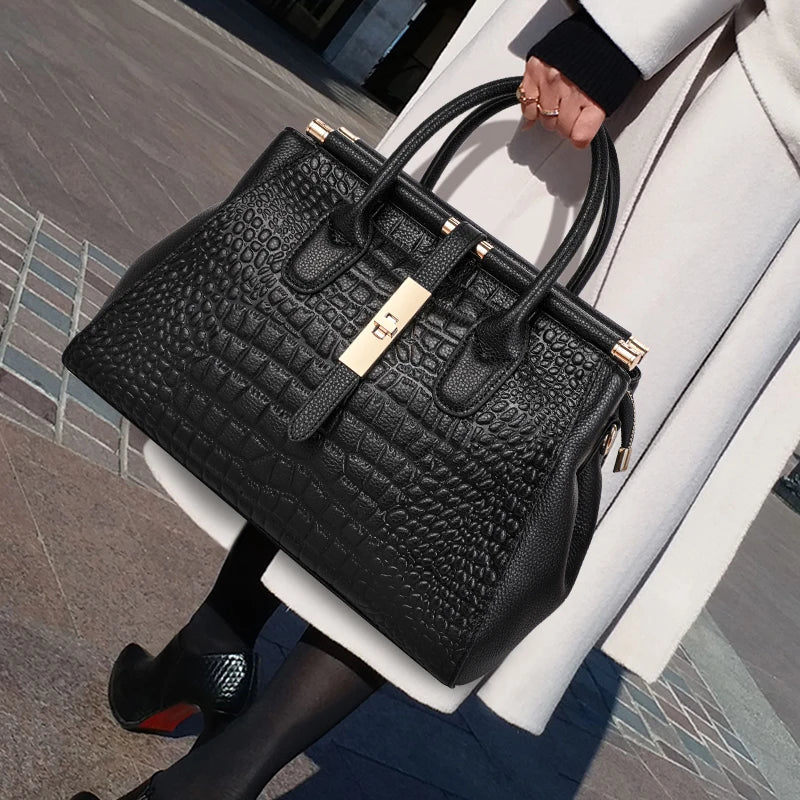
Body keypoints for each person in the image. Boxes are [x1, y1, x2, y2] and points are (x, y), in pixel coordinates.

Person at [71, 0, 800, 797]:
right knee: (410, 399)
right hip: (763, 154)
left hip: (701, 85)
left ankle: (216, 773)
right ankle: (209, 652)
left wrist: (622, 32)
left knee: (465, 444)